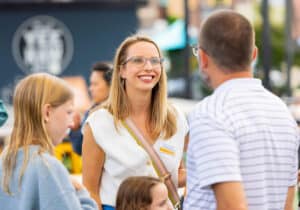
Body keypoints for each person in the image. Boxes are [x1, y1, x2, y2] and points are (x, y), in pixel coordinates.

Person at [184, 10, 299, 210]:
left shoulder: (211, 113)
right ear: (253, 54)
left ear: (203, 58)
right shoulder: (282, 112)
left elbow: (231, 206)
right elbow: (287, 204)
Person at [82, 35, 189, 210]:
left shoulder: (175, 117)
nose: (148, 67)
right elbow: (90, 191)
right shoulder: (99, 122)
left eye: (155, 61)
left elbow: (176, 174)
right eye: (138, 60)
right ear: (122, 70)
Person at [0, 73, 98, 210]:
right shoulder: (48, 167)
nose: (71, 124)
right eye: (69, 112)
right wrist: (80, 192)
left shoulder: (5, 160)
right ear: (47, 113)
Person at [69, 62, 113, 155]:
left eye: (95, 84)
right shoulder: (91, 112)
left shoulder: (123, 113)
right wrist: (76, 129)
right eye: (91, 84)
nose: (90, 88)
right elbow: (80, 149)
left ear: (111, 85)